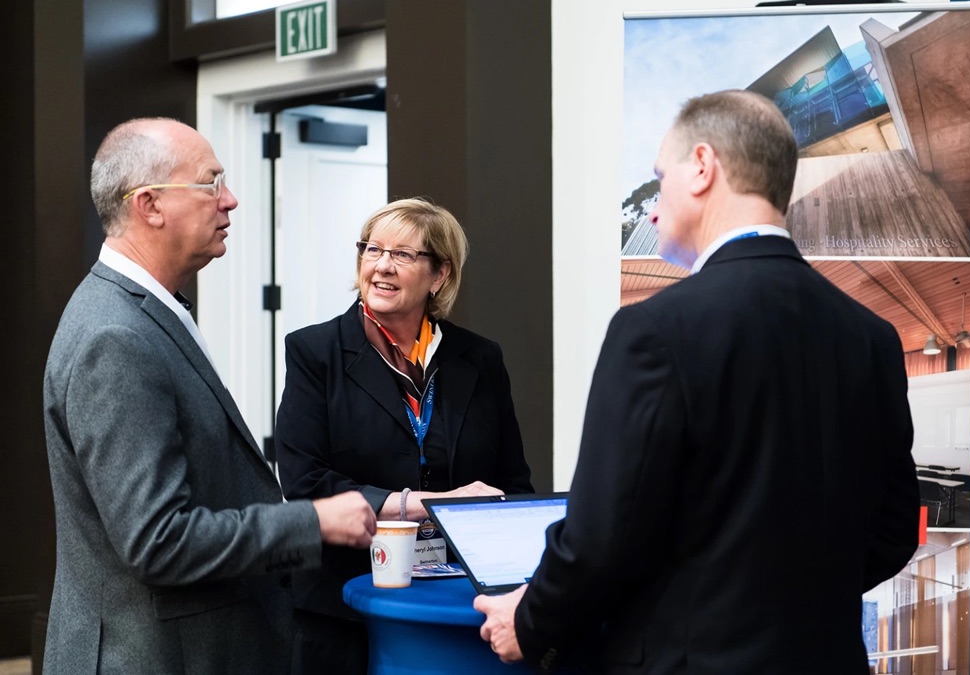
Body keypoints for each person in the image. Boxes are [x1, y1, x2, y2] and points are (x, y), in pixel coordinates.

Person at [475, 90, 920, 673]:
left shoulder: (655, 328)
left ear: (703, 167)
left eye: (661, 179)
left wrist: (529, 622)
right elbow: (894, 528)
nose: (654, 208)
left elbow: (602, 538)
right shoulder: (872, 335)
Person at [42, 117, 378, 675]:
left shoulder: (143, 312)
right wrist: (313, 522)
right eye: (210, 183)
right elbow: (158, 541)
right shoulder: (116, 337)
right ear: (149, 205)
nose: (231, 200)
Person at [275, 197, 534, 674]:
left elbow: (512, 483)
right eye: (373, 250)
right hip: (344, 604)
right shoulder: (315, 352)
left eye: (403, 255)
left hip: (456, 608)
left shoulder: (479, 358)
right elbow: (304, 481)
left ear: (440, 276)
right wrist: (434, 502)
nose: (382, 267)